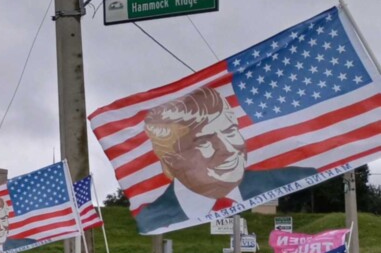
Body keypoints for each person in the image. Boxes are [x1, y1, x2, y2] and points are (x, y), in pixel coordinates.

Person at [134, 87, 317, 234]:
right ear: (172, 160)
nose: (229, 149)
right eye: (204, 141)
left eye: (231, 131)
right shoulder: (154, 217)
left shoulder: (293, 177)